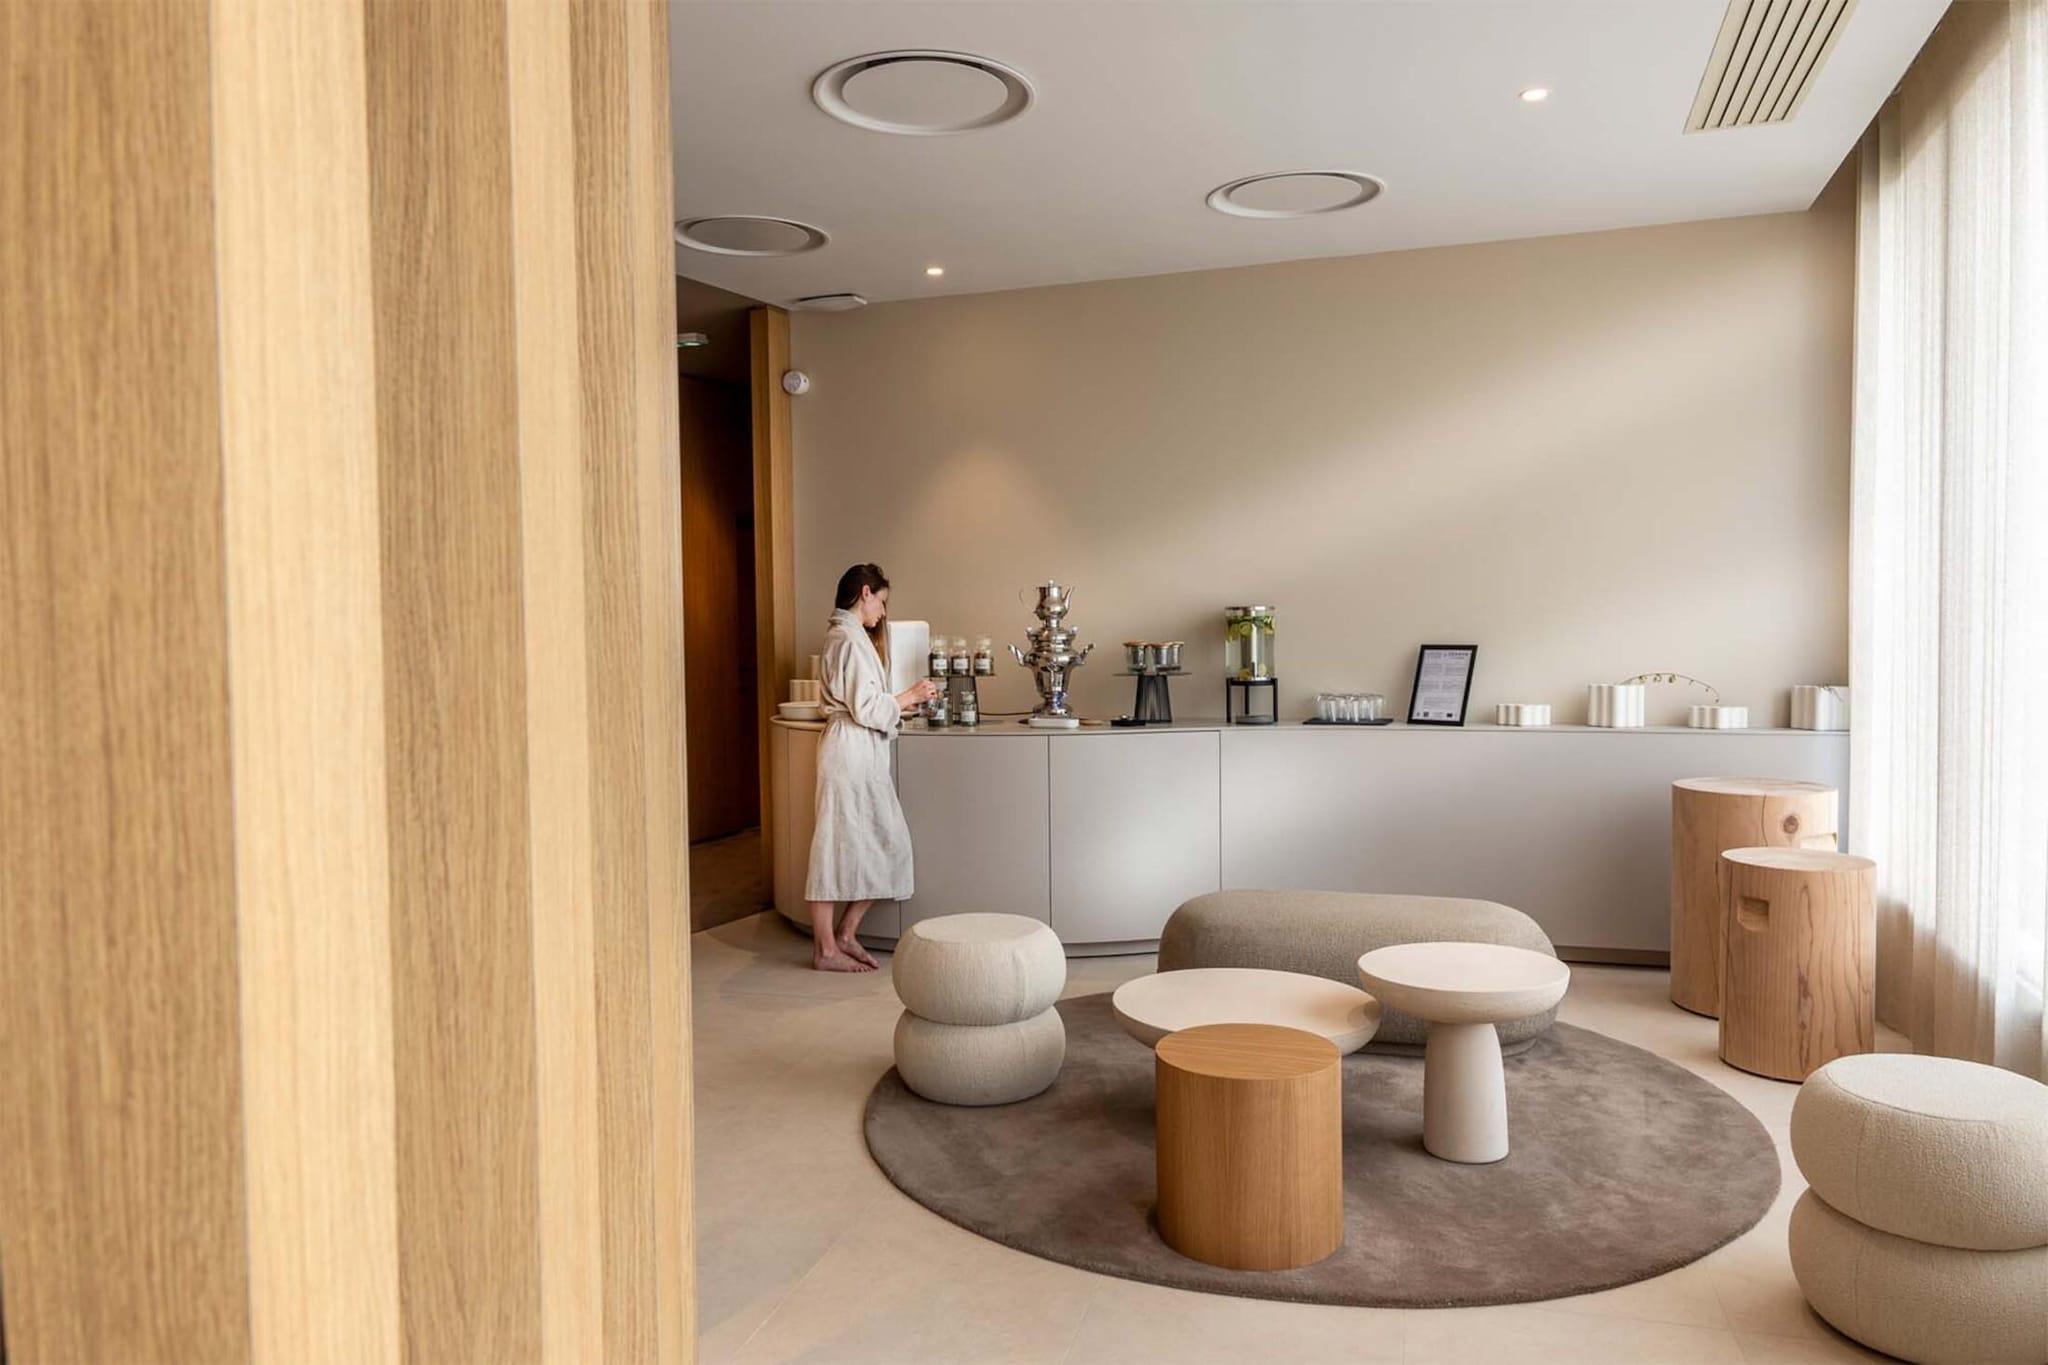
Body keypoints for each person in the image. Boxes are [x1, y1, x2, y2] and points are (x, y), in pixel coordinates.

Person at [804, 563, 937, 971]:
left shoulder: (851, 637)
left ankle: (846, 933)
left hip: (859, 751)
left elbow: (865, 704)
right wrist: (908, 696)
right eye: (881, 602)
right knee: (832, 846)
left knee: (889, 844)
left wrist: (899, 704)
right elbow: (865, 707)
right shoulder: (846, 639)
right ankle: (825, 949)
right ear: (865, 593)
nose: (882, 612)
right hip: (848, 752)